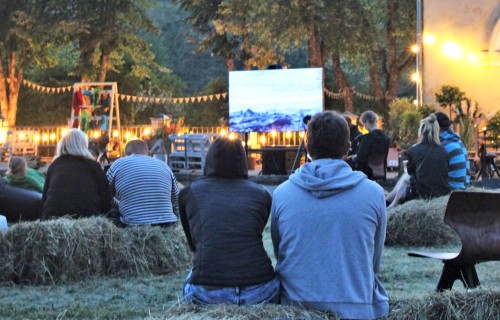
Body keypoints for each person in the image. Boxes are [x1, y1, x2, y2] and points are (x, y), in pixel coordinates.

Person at [271, 111, 389, 319]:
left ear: (307, 148)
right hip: (356, 309)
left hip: (295, 311)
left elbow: (281, 251)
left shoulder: (282, 194)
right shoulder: (374, 194)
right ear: (348, 147)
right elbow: (374, 264)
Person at [180, 137, 279, 306]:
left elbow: (194, 244)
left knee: (189, 279)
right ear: (243, 161)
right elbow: (253, 232)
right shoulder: (262, 195)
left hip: (206, 294)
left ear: (209, 159)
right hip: (261, 292)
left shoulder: (189, 193)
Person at [40, 129, 112, 219]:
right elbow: (106, 196)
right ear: (84, 145)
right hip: (89, 218)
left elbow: (45, 196)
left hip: (53, 218)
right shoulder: (94, 166)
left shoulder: (55, 166)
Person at [106, 139, 179, 227]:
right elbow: (177, 200)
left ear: (127, 153)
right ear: (147, 152)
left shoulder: (118, 163)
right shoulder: (164, 165)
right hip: (167, 223)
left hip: (132, 224)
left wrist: (118, 205)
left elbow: (104, 194)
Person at [386, 114, 450, 208]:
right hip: (441, 194)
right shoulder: (444, 151)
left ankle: (391, 204)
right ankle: (389, 202)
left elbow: (410, 173)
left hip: (421, 195)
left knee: (406, 178)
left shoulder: (414, 150)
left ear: (421, 132)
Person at [348, 110, 390, 179]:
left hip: (367, 174)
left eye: (364, 124)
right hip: (381, 173)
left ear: (367, 122)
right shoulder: (385, 138)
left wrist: (352, 158)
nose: (364, 127)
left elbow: (360, 158)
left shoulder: (368, 138)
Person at [435, 112, 470, 189]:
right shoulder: (457, 141)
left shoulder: (444, 145)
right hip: (465, 187)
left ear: (436, 127)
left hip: (452, 191)